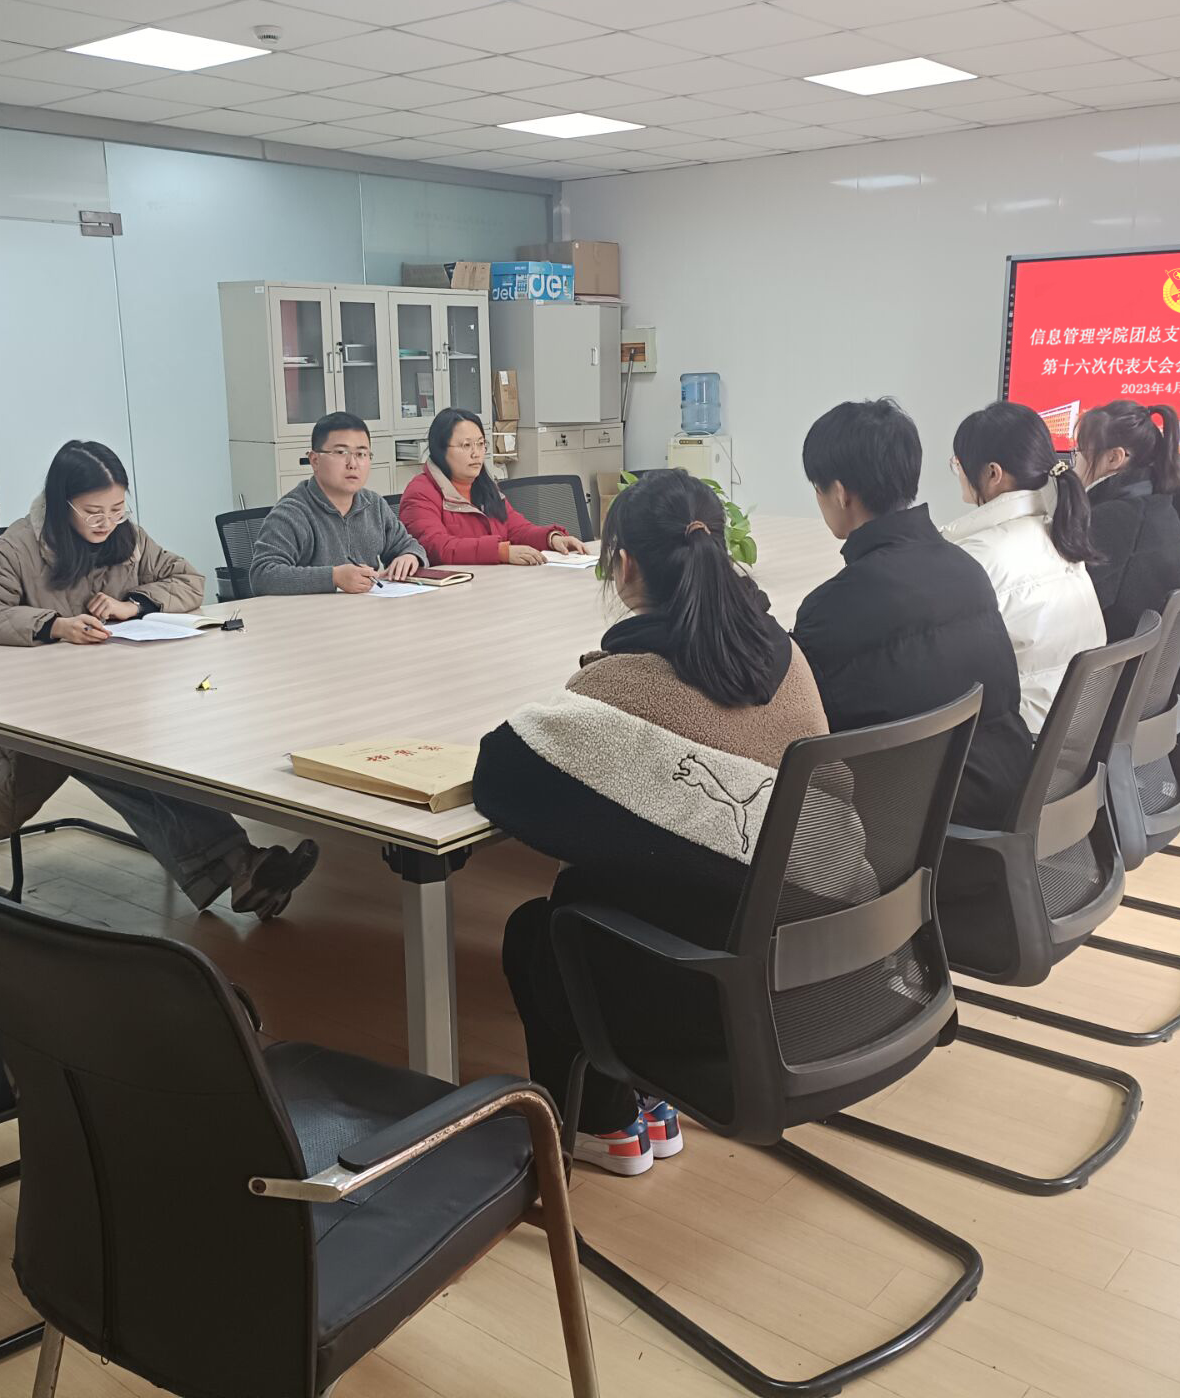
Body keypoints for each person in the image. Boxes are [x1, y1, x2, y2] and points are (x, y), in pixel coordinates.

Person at [474, 469, 827, 1177]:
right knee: (626, 877)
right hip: (812, 968)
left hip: (712, 999)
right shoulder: (788, 655)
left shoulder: (625, 685)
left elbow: (501, 776)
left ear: (625, 565)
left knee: (544, 926)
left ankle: (604, 1122)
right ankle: (650, 1098)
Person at [0, 440, 317, 917]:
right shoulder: (21, 545)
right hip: (39, 717)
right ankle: (240, 864)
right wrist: (53, 625)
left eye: (117, 509)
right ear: (62, 503)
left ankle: (242, 867)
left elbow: (188, 580)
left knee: (169, 737)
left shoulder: (129, 538)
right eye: (93, 512)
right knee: (119, 757)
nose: (107, 523)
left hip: (118, 697)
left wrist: (134, 604)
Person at [790, 398, 1032, 830]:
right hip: (1006, 796)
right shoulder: (966, 568)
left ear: (841, 493)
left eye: (817, 488)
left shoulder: (829, 610)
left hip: (921, 829)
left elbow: (809, 730)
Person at [945, 401, 1106, 731]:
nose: (958, 473)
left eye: (958, 464)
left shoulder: (979, 555)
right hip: (1075, 730)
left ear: (993, 473)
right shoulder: (1059, 534)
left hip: (1022, 738)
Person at [247, 412, 426, 595]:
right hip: (313, 611)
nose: (353, 463)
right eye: (341, 452)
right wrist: (333, 577)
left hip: (365, 606)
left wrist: (410, 556)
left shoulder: (374, 504)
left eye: (361, 454)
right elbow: (262, 575)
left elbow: (409, 546)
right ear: (315, 460)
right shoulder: (292, 512)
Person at [1073, 399, 1180, 641]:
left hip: (1116, 655)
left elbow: (1073, 604)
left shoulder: (1110, 519)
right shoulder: (1156, 504)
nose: (1075, 463)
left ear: (1114, 458)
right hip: (1153, 651)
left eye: (1079, 452)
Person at [398, 408, 591, 565]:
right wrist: (501, 552)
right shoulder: (421, 492)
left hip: (493, 582)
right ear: (440, 449)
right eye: (466, 445)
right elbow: (436, 547)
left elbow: (517, 530)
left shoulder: (484, 486)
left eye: (481, 444)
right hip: (451, 591)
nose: (476, 453)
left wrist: (552, 539)